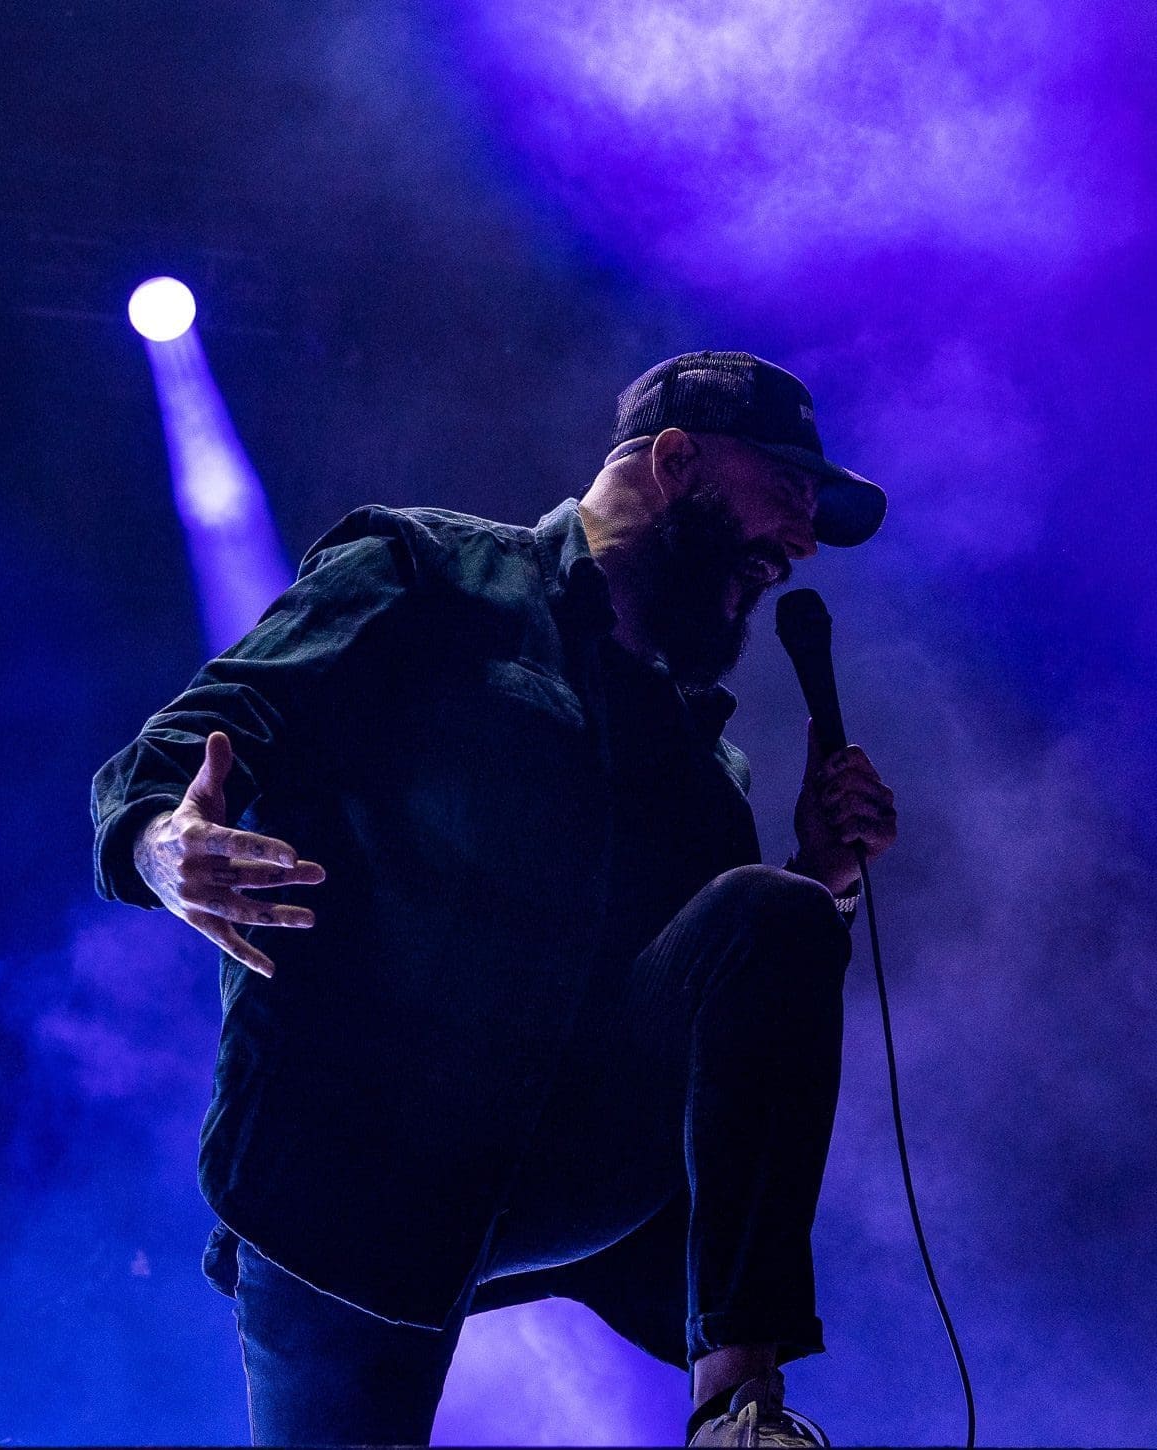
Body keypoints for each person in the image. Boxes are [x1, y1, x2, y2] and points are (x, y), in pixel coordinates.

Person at [91, 350, 897, 1448]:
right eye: (786, 496)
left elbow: (725, 1002)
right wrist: (160, 846)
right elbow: (198, 731)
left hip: (567, 1168)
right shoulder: (427, 574)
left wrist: (820, 880)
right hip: (353, 1175)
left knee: (774, 911)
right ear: (672, 461)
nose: (799, 544)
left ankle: (736, 1405)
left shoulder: (705, 763)